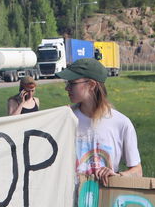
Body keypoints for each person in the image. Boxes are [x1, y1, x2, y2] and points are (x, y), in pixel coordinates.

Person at [57, 58, 142, 186]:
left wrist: (118, 176)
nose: (67, 88)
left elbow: (137, 171)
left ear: (91, 85)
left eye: (72, 83)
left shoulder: (121, 123)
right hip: (69, 201)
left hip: (105, 201)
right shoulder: (66, 118)